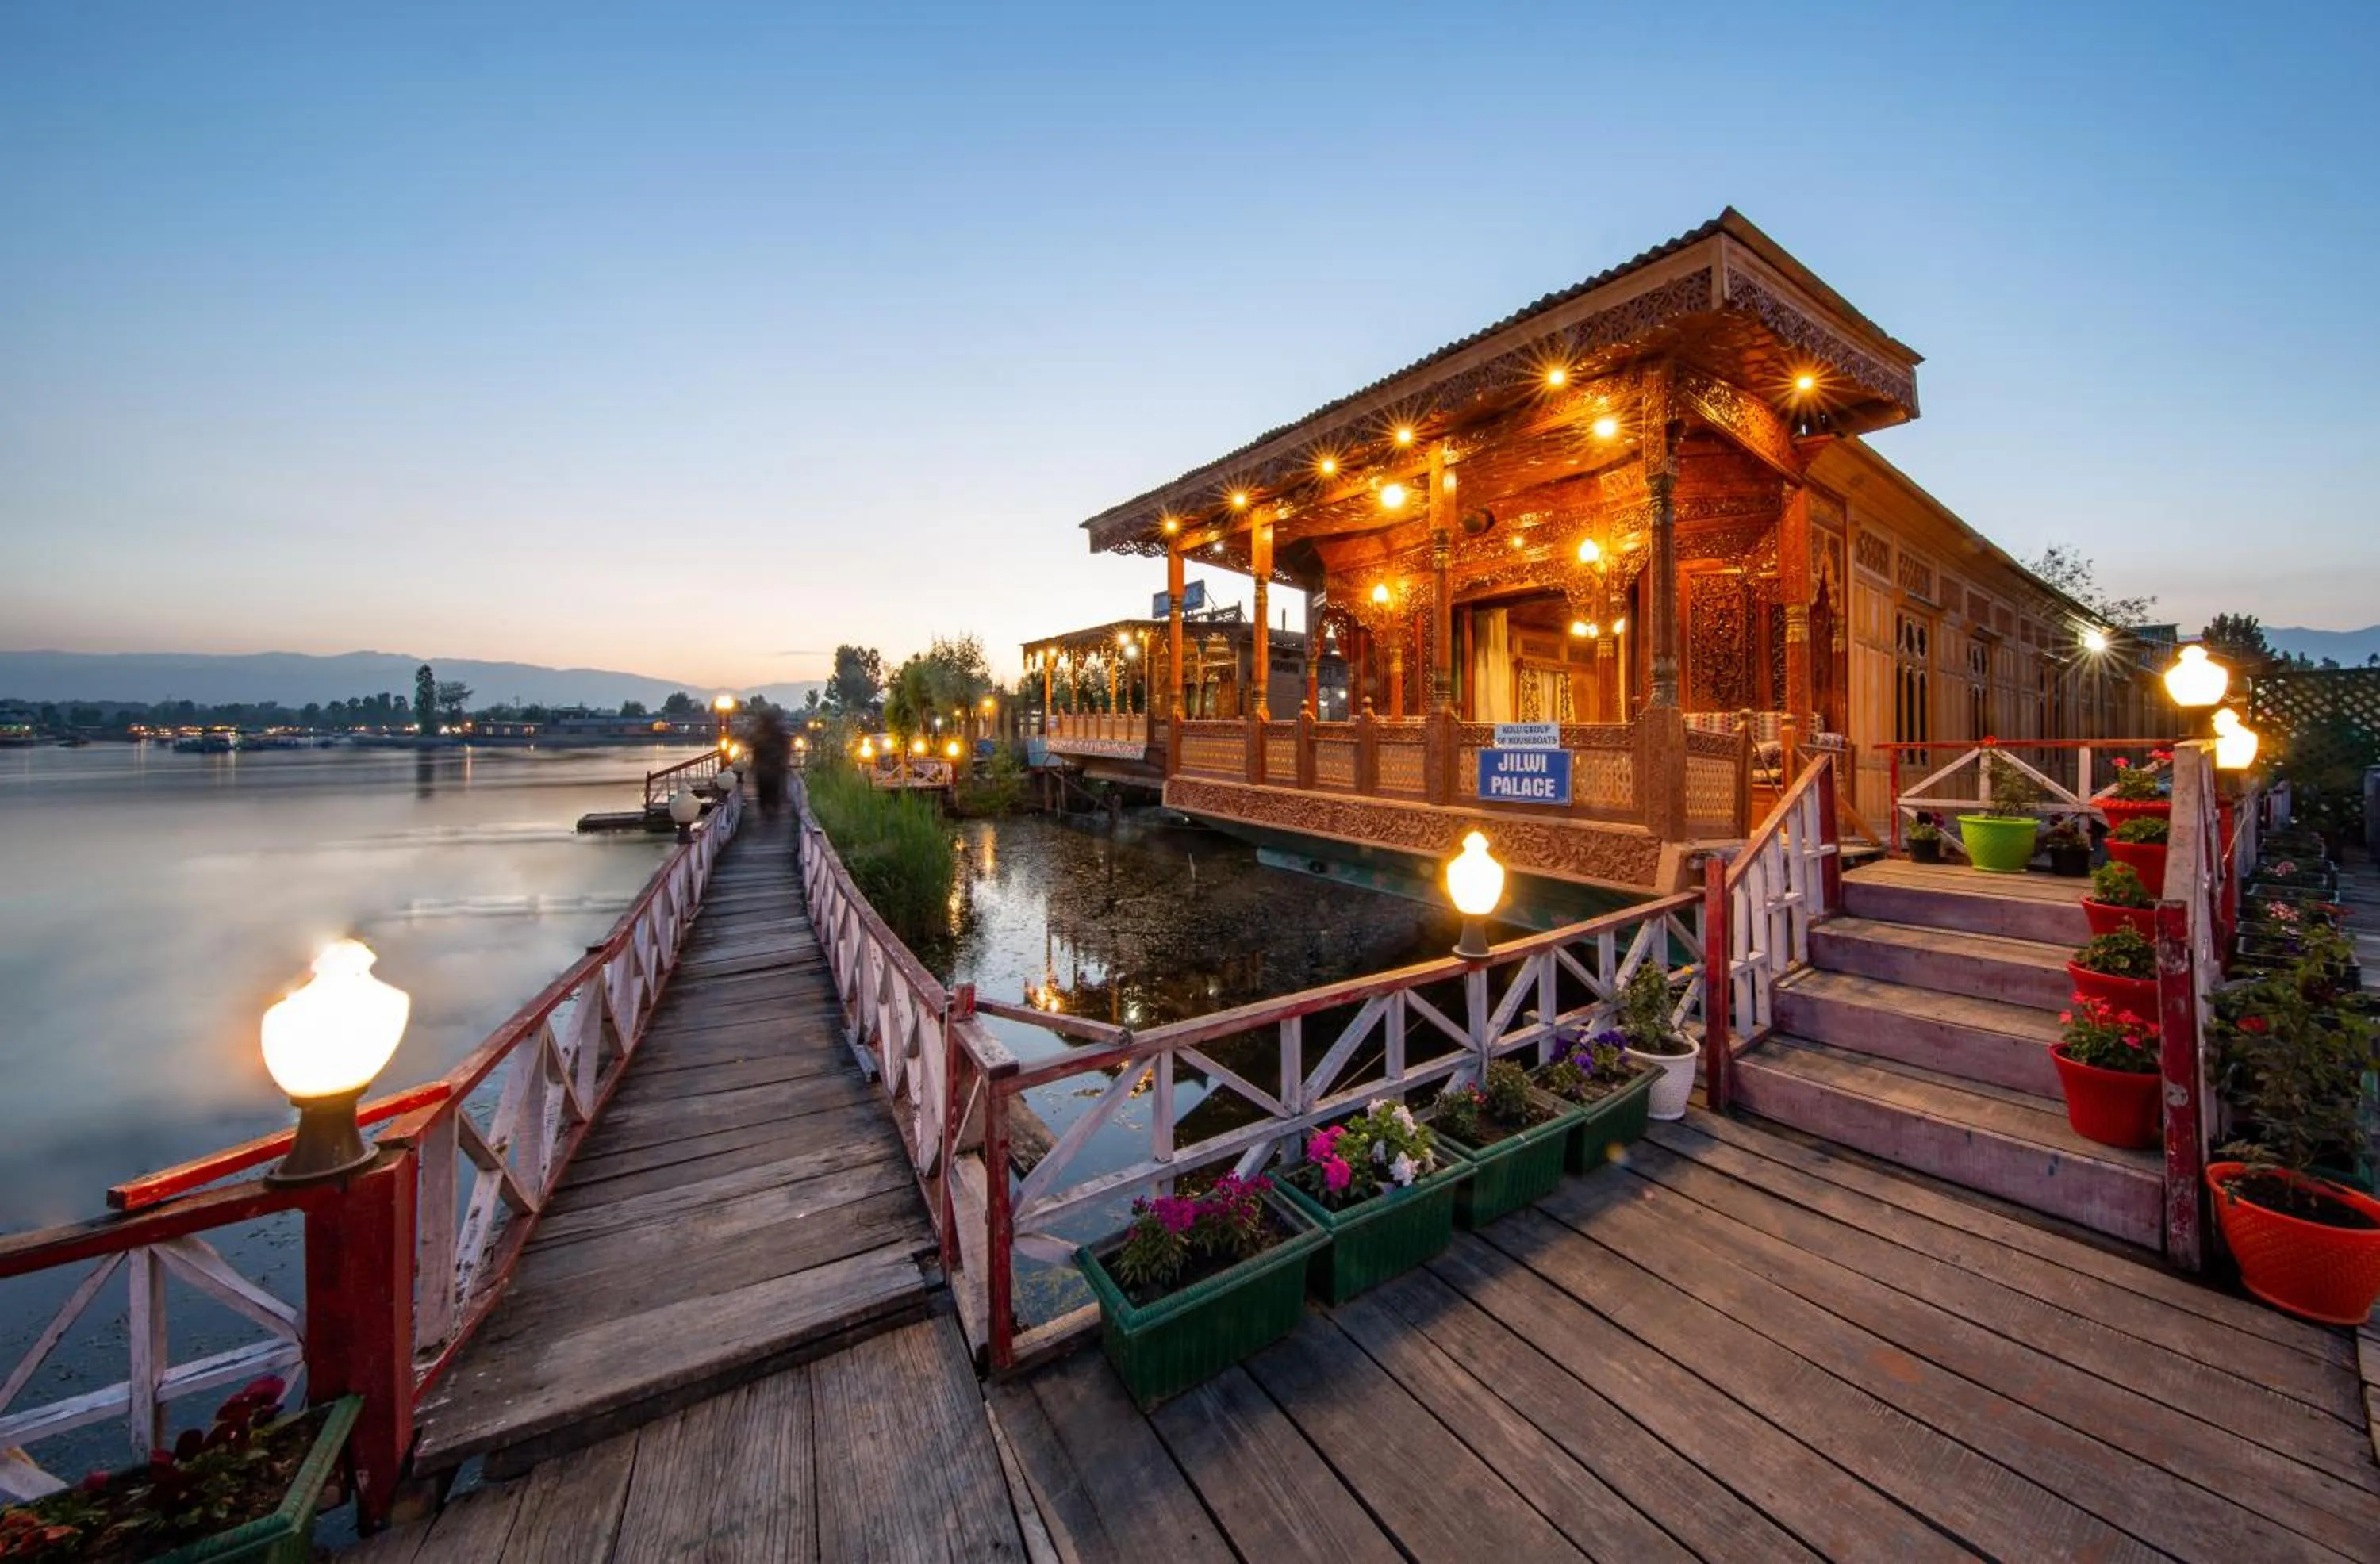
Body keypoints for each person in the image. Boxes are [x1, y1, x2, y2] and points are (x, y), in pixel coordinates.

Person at [748, 708, 792, 817]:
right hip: (770, 766)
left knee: (768, 790)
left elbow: (754, 747)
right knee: (771, 790)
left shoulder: (761, 732)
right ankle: (770, 809)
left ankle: (769, 809)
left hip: (769, 766)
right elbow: (786, 747)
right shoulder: (776, 732)